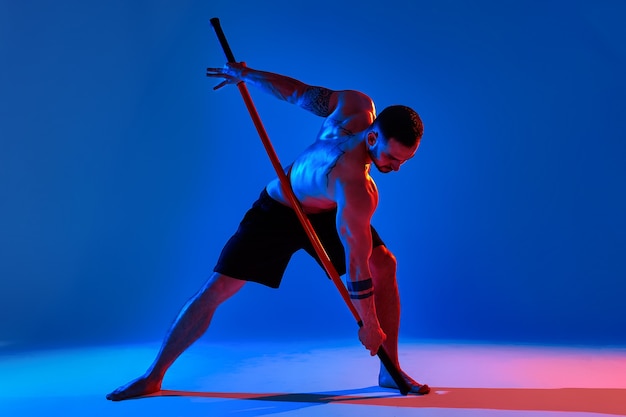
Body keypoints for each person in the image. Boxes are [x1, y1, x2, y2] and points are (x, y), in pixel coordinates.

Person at [106, 62, 428, 401]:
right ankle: (153, 376)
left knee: (385, 264)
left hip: (328, 212)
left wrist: (246, 74)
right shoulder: (356, 169)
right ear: (374, 136)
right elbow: (300, 93)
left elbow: (298, 94)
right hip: (279, 210)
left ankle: (389, 369)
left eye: (405, 161)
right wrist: (369, 324)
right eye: (393, 158)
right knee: (217, 289)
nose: (396, 168)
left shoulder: (357, 148)